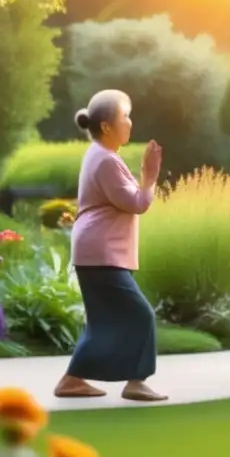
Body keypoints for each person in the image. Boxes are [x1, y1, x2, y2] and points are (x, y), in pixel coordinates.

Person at [52, 89, 167, 402]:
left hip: (96, 249)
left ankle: (72, 380)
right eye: (125, 117)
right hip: (100, 251)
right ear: (106, 126)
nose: (130, 123)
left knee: (103, 322)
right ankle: (136, 381)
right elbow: (137, 203)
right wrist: (150, 177)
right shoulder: (105, 160)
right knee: (140, 314)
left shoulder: (102, 155)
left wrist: (144, 178)